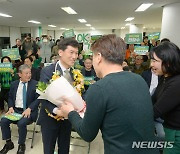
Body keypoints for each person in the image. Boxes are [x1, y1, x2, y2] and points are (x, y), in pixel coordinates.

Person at [59, 34, 159, 154]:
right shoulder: (139, 80)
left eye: (93, 56)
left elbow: (87, 134)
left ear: (99, 57)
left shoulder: (98, 89)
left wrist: (70, 113)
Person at [37, 38, 79, 154]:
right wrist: (56, 111)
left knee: (64, 148)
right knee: (49, 149)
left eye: (76, 53)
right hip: (50, 119)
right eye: (71, 52)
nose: (74, 56)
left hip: (67, 119)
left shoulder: (75, 73)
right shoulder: (48, 71)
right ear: (61, 52)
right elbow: (42, 95)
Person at [0, 64, 39, 154]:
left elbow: (38, 99)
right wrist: (10, 107)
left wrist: (30, 108)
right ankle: (8, 143)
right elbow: (10, 97)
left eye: (30, 73)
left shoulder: (35, 84)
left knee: (21, 123)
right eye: (26, 73)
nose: (29, 75)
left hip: (29, 111)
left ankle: (21, 145)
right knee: (3, 121)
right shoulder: (14, 84)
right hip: (15, 110)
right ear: (20, 74)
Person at [151, 41, 180, 154]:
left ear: (168, 62)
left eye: (155, 61)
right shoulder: (164, 78)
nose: (151, 65)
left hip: (176, 134)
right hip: (169, 130)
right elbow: (152, 100)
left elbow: (156, 111)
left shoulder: (176, 83)